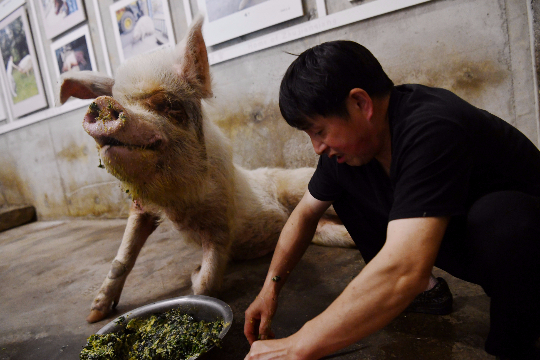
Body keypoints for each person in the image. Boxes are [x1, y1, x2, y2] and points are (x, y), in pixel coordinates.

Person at [243, 40, 540, 360]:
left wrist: (297, 346)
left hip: (525, 248)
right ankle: (421, 292)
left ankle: (519, 345)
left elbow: (403, 269)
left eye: (319, 131)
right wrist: (270, 289)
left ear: (360, 103)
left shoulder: (431, 127)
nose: (317, 147)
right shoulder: (351, 149)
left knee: (500, 217)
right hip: (462, 235)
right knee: (342, 190)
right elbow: (304, 215)